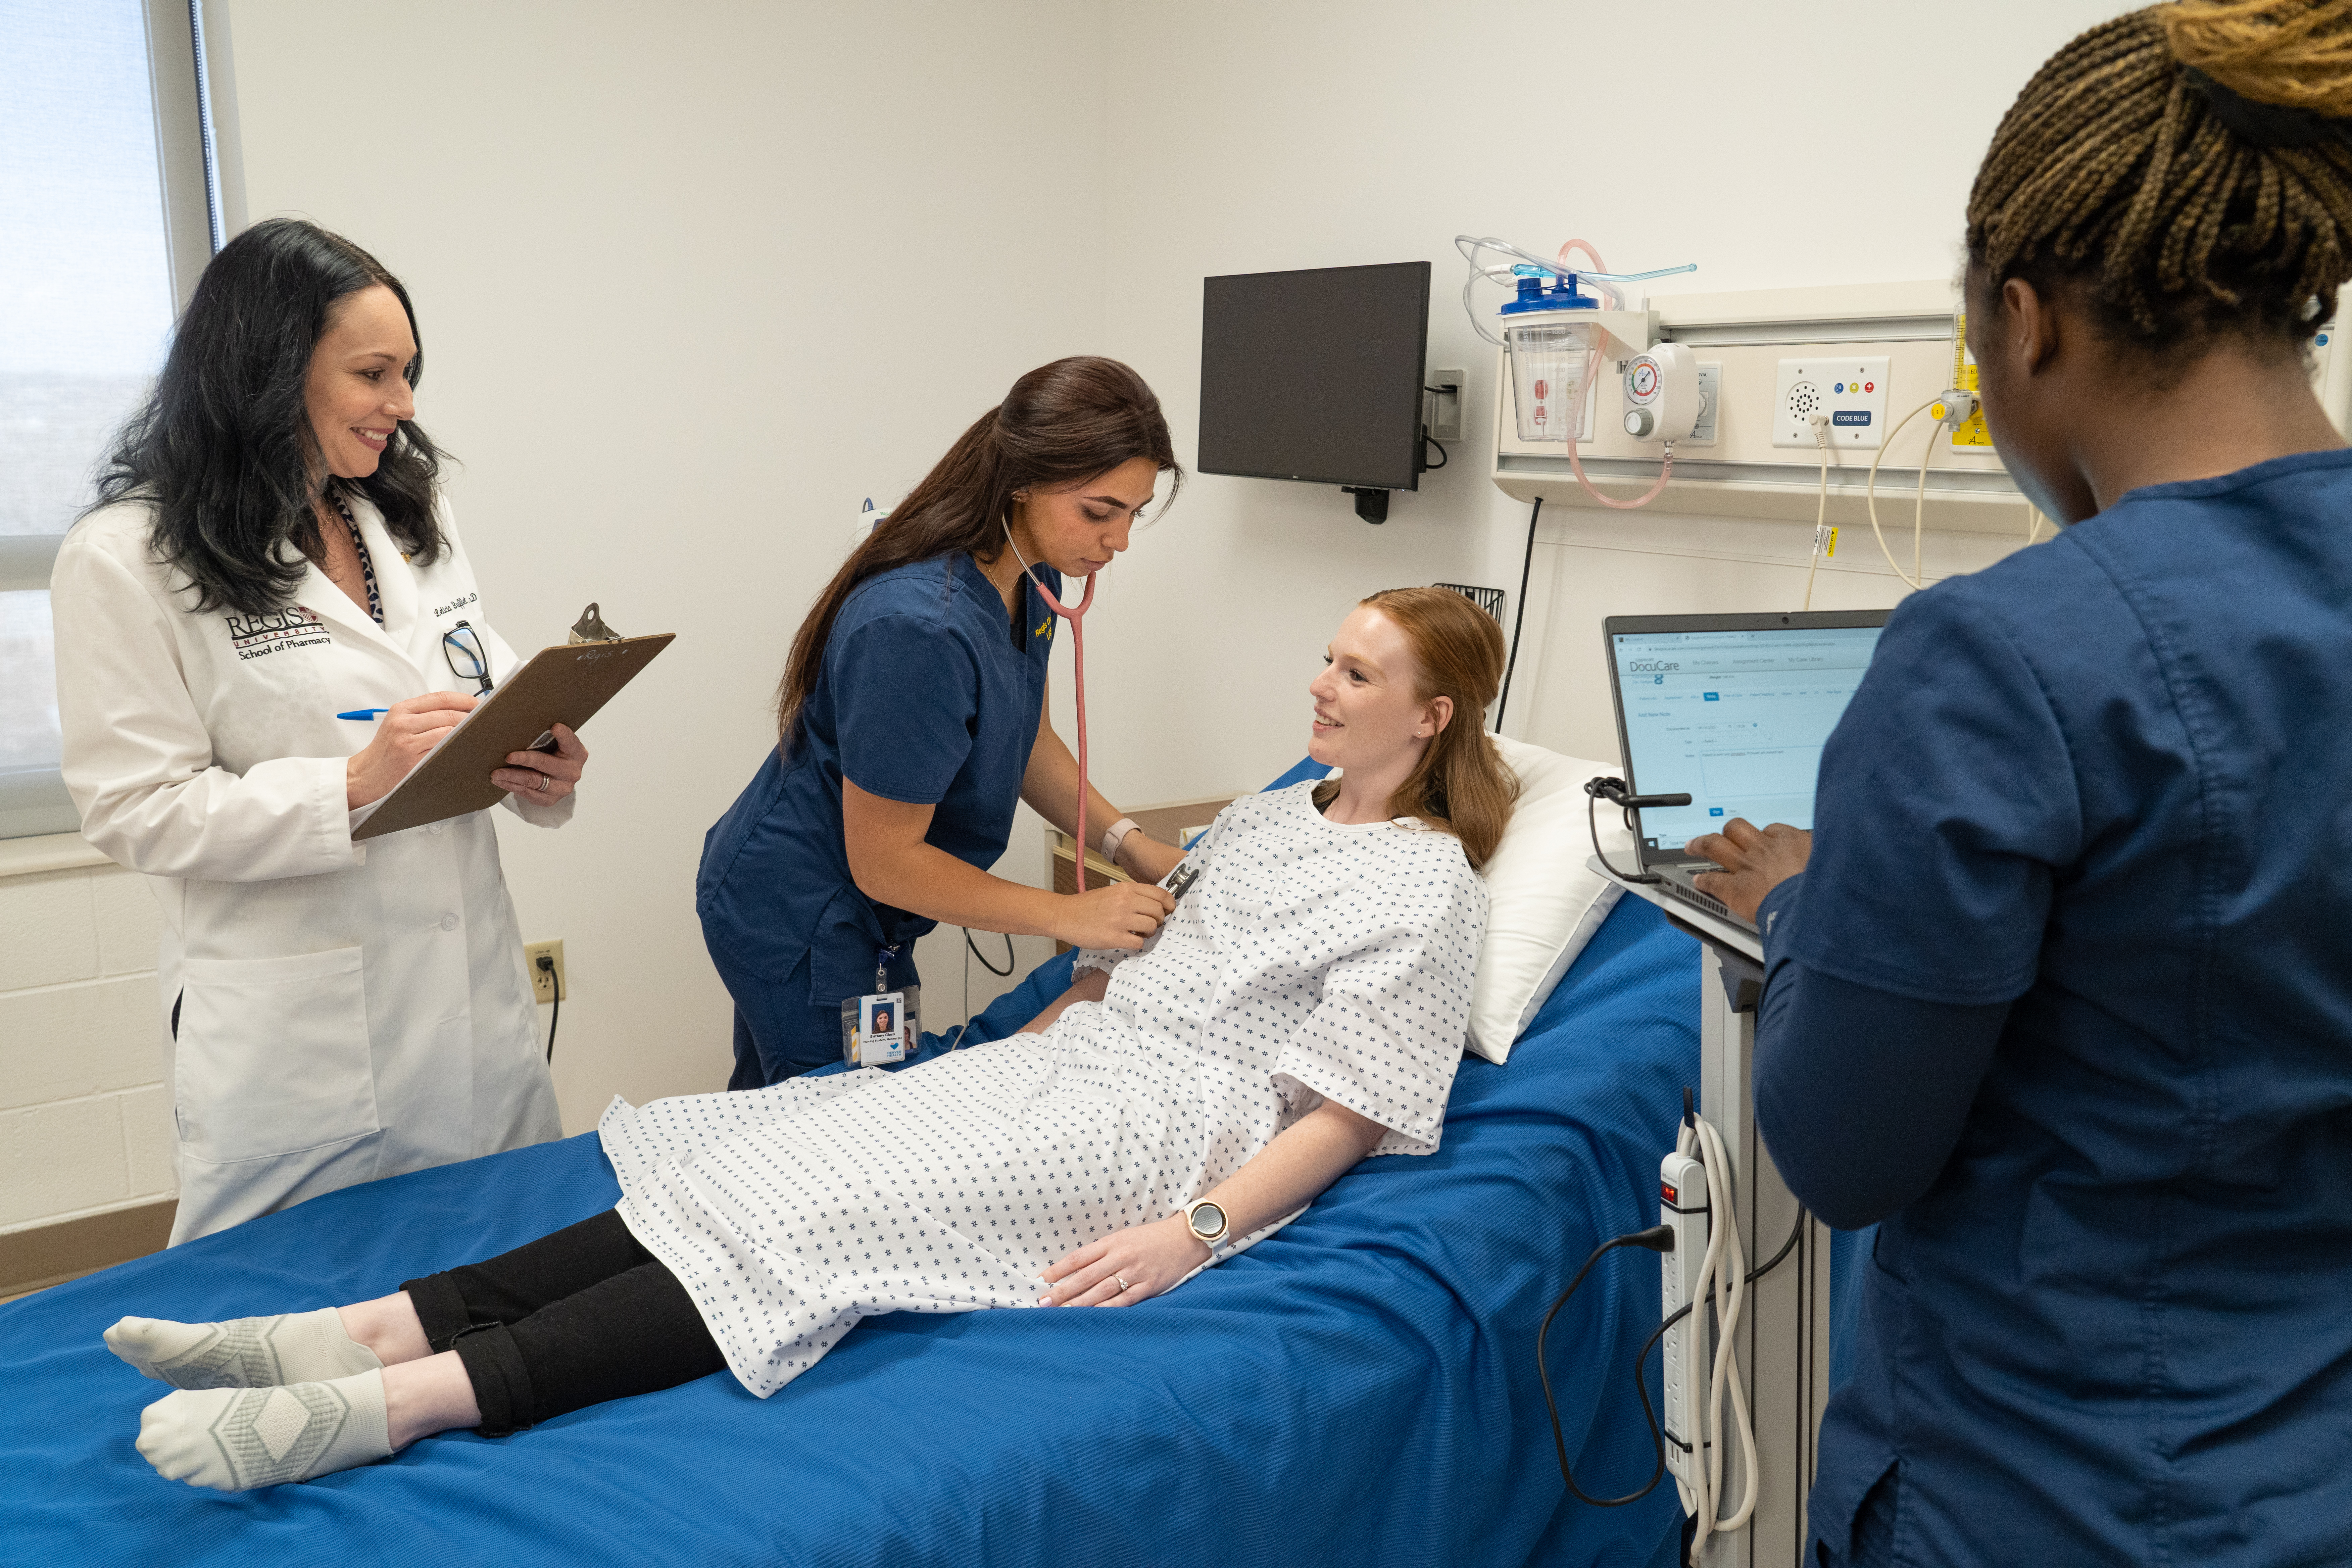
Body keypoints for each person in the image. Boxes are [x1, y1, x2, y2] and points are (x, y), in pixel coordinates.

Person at [104, 587, 1521, 1493]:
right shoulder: (1268, 816)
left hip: (1172, 1134)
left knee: (815, 1207)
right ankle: (344, 1328)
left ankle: (394, 1404)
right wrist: (1052, 1024)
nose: (1321, 685)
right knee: (773, 1136)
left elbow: (1337, 1116)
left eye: (1357, 671)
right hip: (1070, 1066)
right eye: (1326, 655)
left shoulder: (1425, 885)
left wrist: (1193, 1232)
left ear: (1432, 715)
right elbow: (1134, 953)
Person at [1684, 5, 2352, 1563]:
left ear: (2023, 320)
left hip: (2060, 1488)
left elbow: (1842, 1152)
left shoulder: (2003, 657)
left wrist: (1794, 905)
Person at [51, 219, 586, 1244]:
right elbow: (134, 812)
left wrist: (537, 759)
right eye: (374, 373)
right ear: (269, 370)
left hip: (471, 1007)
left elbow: (476, 674)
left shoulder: (405, 518)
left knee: (506, 1294)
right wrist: (350, 782)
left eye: (411, 371)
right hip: (303, 1050)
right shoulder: (128, 557)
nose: (406, 404)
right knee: (297, 1324)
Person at [699, 356, 1193, 1088]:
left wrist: (1130, 844)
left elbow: (1027, 741)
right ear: (1020, 479)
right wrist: (1074, 913)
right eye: (1100, 510)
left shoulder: (1032, 574)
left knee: (784, 1104)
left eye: (1133, 512)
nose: (1118, 541)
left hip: (869, 909)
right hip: (801, 909)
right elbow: (885, 861)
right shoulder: (920, 629)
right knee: (833, 1124)